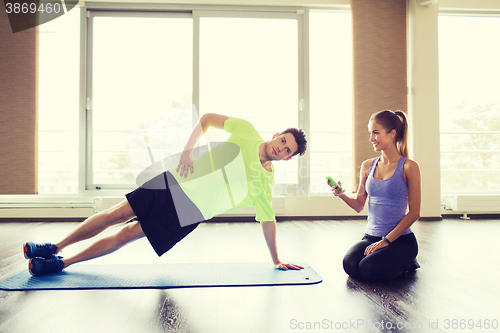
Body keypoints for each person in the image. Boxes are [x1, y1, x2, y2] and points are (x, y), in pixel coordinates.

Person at [24, 113, 307, 276]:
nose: (280, 148)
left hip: (189, 214)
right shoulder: (246, 130)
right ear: (276, 135)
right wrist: (186, 152)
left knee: (126, 235)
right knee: (115, 214)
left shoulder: (265, 183)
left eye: (287, 151)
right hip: (174, 183)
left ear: (288, 159)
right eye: (283, 141)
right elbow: (207, 119)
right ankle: (55, 246)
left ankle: (61, 263)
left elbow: (268, 220)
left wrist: (276, 260)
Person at [328, 110, 421, 282]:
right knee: (350, 265)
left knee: (367, 269)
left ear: (392, 134)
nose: (371, 138)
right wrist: (341, 194)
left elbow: (415, 213)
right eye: (370, 133)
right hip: (371, 237)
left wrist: (386, 241)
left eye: (376, 132)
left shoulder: (409, 166)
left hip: (400, 241)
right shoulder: (367, 165)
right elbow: (358, 205)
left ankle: (407, 262)